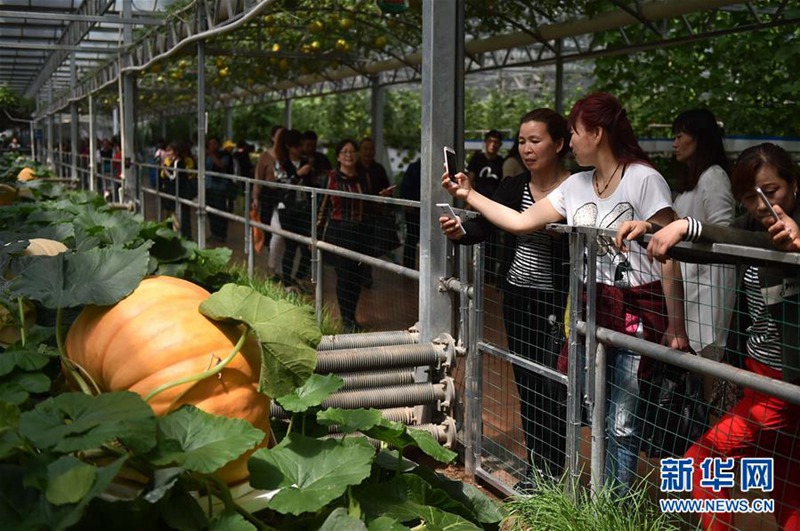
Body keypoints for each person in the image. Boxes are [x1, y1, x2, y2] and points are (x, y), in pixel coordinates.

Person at [442, 92, 688, 496]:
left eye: (574, 132)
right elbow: (520, 222)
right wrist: (468, 195)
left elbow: (668, 254)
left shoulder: (644, 178)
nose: (571, 141)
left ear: (597, 133)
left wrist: (676, 326)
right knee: (595, 412)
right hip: (592, 309)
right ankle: (598, 497)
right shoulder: (576, 185)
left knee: (622, 422)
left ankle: (613, 506)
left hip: (637, 312)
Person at [615, 142, 800, 530]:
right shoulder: (751, 227)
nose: (762, 204)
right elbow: (719, 244)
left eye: (772, 191)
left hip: (782, 387)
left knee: (702, 461)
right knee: (787, 481)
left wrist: (686, 225)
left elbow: (756, 244)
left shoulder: (786, 231)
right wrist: (655, 229)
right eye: (749, 196)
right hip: (757, 376)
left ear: (794, 185)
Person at [440, 109, 571, 488]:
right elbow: (483, 226)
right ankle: (538, 469)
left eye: (536, 141)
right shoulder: (514, 186)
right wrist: (459, 229)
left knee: (555, 386)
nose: (527, 149)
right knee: (527, 383)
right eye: (523, 141)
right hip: (518, 297)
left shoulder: (575, 188)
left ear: (559, 144)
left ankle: (556, 469)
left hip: (559, 303)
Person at [671, 108, 737, 401]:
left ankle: (712, 423)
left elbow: (723, 229)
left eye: (680, 135)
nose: (675, 143)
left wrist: (685, 229)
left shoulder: (714, 177)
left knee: (708, 359)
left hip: (709, 283)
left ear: (699, 138)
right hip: (689, 284)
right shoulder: (690, 184)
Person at [317, 139, 369, 333]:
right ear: (338, 157)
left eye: (352, 151)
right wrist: (315, 236)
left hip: (360, 232)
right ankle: (346, 318)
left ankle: (352, 316)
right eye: (344, 152)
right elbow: (321, 208)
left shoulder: (363, 178)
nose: (349, 155)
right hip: (338, 231)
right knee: (344, 275)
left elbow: (370, 205)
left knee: (357, 277)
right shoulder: (330, 178)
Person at [275, 129, 316, 288]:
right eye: (297, 146)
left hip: (304, 209)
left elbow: (313, 184)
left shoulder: (307, 162)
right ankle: (287, 283)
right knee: (290, 247)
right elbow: (281, 188)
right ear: (289, 146)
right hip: (287, 210)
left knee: (308, 248)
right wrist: (298, 175)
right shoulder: (281, 164)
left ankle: (298, 277)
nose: (301, 149)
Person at [467, 129, 506, 286]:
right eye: (490, 141)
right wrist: (470, 202)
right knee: (476, 237)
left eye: (496, 142)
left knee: (492, 241)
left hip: (494, 207)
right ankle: (477, 274)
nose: (493, 145)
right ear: (486, 142)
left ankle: (489, 275)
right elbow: (470, 180)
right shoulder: (477, 159)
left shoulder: (501, 162)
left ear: (500, 145)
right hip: (477, 206)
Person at [357, 137, 395, 288]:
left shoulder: (378, 169)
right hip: (358, 214)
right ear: (360, 151)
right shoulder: (355, 168)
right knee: (357, 245)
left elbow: (386, 188)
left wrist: (385, 194)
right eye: (365, 149)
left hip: (374, 215)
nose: (368, 152)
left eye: (371, 149)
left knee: (370, 246)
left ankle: (366, 277)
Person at [253, 125, 284, 279]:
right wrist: (255, 198)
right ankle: (273, 266)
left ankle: (276, 267)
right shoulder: (265, 157)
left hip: (282, 198)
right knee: (270, 233)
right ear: (273, 137)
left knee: (279, 232)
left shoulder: (286, 156)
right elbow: (258, 178)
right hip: (268, 197)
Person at [205, 136, 234, 243]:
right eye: (210, 144)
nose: (212, 146)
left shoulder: (224, 155)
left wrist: (212, 155)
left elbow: (221, 165)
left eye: (214, 143)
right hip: (208, 186)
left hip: (219, 187)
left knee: (220, 211)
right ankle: (214, 233)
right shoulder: (206, 156)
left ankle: (221, 234)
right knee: (210, 212)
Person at [399, 158, 421, 269]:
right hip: (414, 211)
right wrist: (408, 203)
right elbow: (404, 187)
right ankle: (408, 268)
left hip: (426, 211)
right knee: (412, 239)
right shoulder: (414, 168)